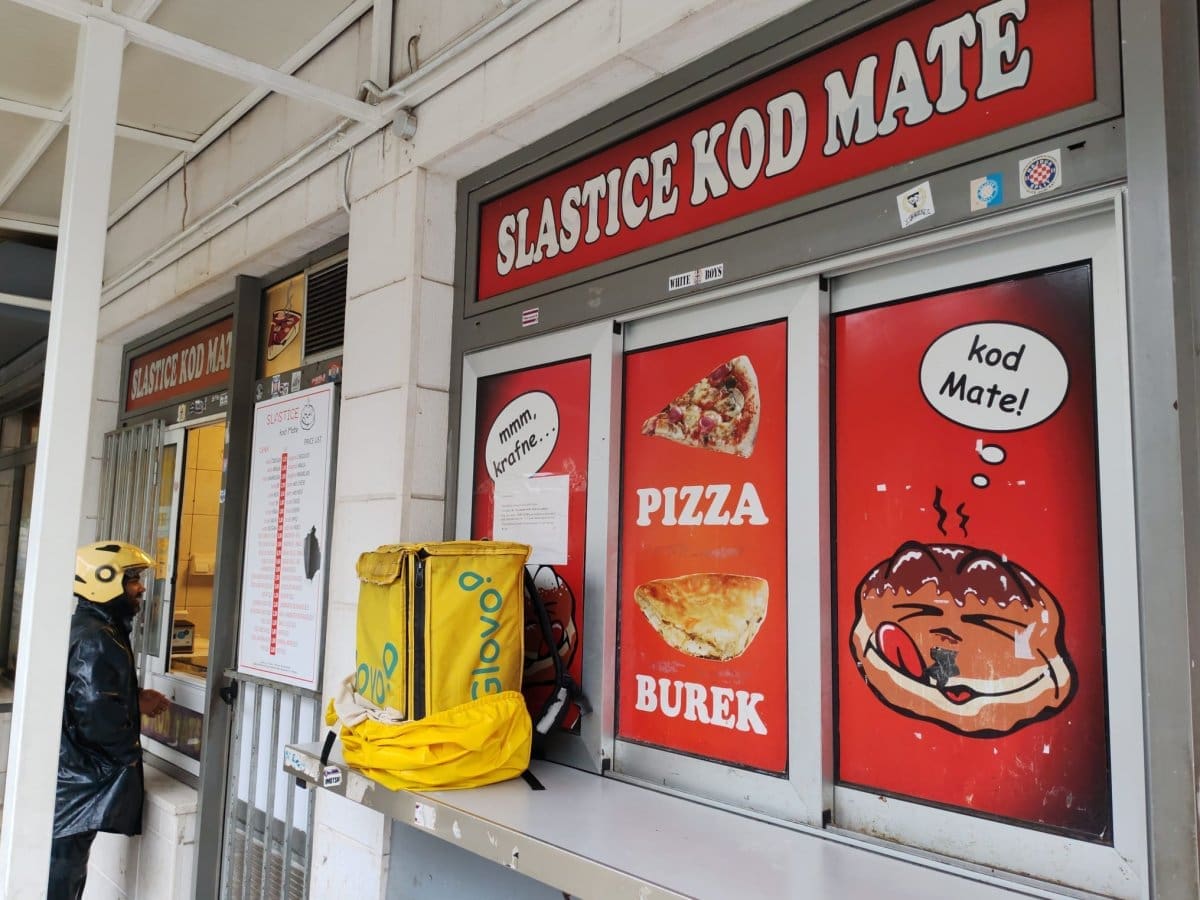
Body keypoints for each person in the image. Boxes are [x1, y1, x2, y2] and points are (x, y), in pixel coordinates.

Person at [48, 541, 171, 900]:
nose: (141, 587)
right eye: (131, 578)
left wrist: (133, 698)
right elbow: (95, 715)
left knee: (63, 868)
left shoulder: (91, 627)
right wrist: (125, 756)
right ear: (103, 580)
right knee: (63, 874)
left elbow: (90, 696)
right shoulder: (98, 637)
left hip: (73, 775)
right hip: (80, 780)